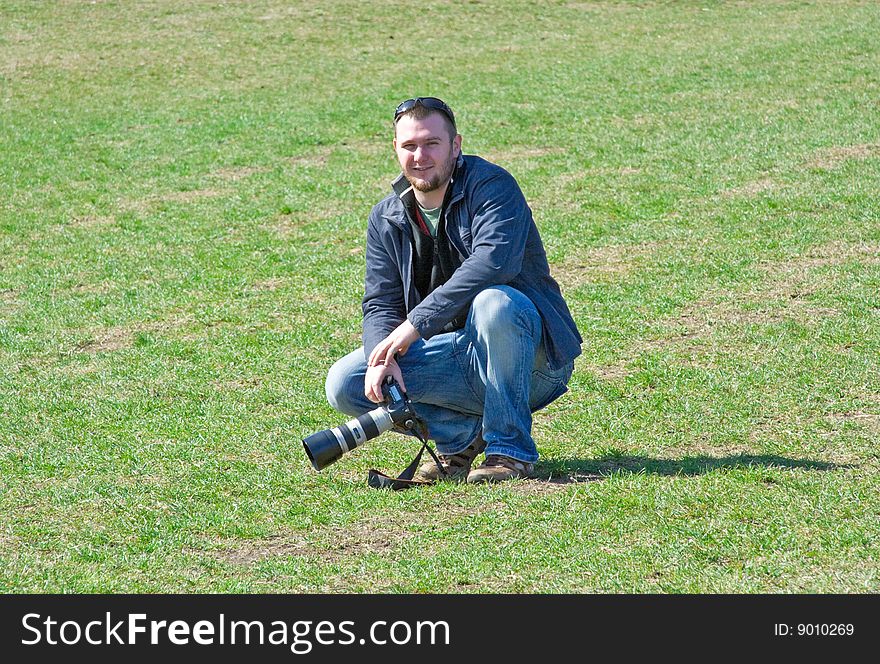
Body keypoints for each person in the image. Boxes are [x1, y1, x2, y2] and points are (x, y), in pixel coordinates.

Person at [325, 97, 582, 483]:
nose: (420, 156)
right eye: (409, 146)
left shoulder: (492, 186)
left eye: (432, 143)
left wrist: (413, 327)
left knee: (495, 302)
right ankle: (460, 439)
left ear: (456, 145)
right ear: (395, 149)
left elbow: (494, 263)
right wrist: (385, 354)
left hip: (533, 360)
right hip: (458, 356)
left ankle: (509, 452)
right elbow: (380, 302)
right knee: (346, 382)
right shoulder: (385, 217)